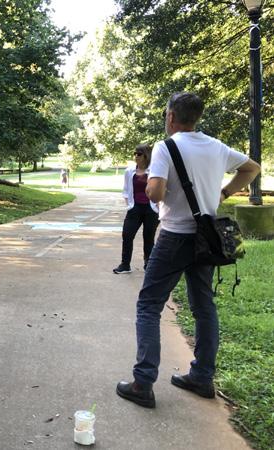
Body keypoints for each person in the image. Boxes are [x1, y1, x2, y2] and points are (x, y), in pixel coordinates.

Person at [116, 92, 260, 408]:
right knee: (203, 306)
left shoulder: (165, 147)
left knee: (149, 305)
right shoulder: (217, 147)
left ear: (171, 116)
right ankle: (202, 377)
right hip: (206, 238)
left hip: (174, 236)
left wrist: (156, 187)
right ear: (197, 117)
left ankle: (143, 382)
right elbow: (252, 168)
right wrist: (224, 193)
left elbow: (155, 193)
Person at [113, 144, 159, 274]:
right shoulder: (129, 171)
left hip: (151, 209)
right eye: (135, 153)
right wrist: (129, 205)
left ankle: (148, 264)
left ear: (146, 156)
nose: (136, 156)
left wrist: (159, 207)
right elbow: (126, 190)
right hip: (135, 208)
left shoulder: (154, 171)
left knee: (148, 237)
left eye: (139, 154)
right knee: (127, 235)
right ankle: (125, 264)